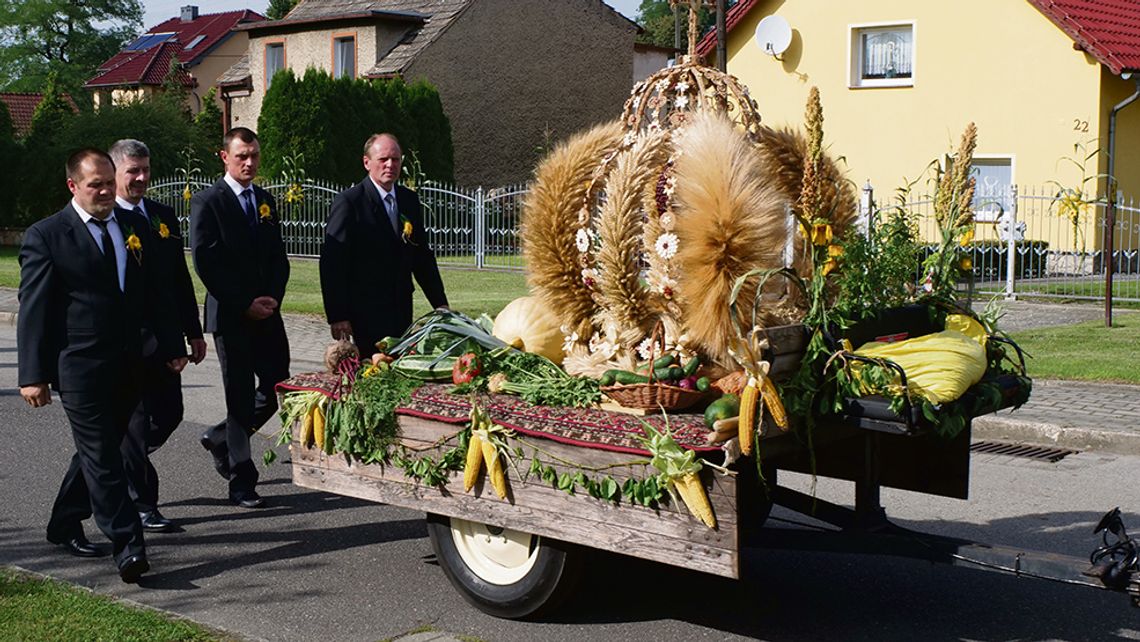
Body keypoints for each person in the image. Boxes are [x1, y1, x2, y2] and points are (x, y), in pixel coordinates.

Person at [18, 148, 186, 583]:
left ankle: (63, 521)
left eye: (110, 182)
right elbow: (34, 309)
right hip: (79, 368)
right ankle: (129, 546)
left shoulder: (133, 226)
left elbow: (155, 293)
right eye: (97, 184)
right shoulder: (47, 235)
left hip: (129, 363)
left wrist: (173, 343)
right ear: (73, 186)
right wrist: (32, 374)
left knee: (101, 452)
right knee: (104, 460)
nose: (108, 191)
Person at [110, 139, 207, 532]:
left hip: (166, 342)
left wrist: (193, 332)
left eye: (145, 169)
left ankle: (116, 462)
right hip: (129, 345)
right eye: (133, 170)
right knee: (133, 427)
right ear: (114, 171)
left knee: (170, 415)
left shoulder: (163, 215)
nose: (141, 177)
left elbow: (179, 280)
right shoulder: (108, 219)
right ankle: (143, 503)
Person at [191, 127, 290, 509]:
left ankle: (220, 438)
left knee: (278, 385)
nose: (249, 163)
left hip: (267, 312)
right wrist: (244, 302)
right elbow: (206, 261)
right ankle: (241, 480)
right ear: (224, 157)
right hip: (231, 314)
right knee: (237, 396)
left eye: (253, 155)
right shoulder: (208, 201)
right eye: (241, 156)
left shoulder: (265, 201)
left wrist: (273, 299)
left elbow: (278, 257)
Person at [320, 133, 448, 357]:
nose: (390, 165)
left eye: (396, 159)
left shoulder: (409, 200)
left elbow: (422, 257)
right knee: (370, 373)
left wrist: (440, 304)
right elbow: (333, 263)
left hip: (400, 308)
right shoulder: (350, 202)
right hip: (364, 312)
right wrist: (337, 315)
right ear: (367, 162)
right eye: (383, 159)